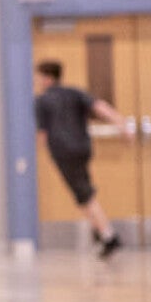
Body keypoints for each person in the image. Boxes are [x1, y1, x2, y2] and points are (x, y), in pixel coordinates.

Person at [33, 61, 128, 259]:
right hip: (83, 148)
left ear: (48, 78)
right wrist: (120, 122)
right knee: (82, 193)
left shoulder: (42, 101)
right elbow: (100, 107)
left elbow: (42, 134)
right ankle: (101, 233)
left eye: (39, 77)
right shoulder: (74, 93)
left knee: (85, 195)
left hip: (63, 151)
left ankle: (108, 235)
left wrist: (37, 154)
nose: (37, 81)